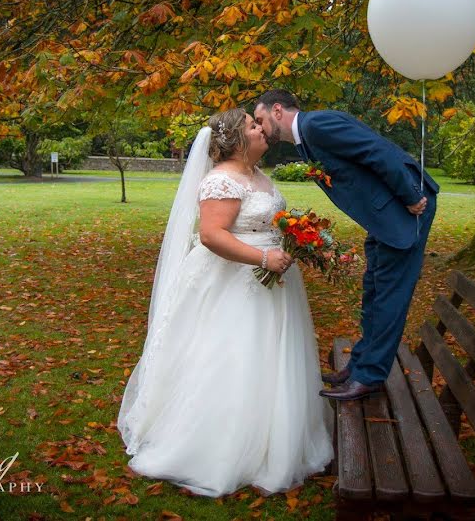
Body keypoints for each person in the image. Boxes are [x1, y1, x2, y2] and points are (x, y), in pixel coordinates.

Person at [116, 108, 333, 497]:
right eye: (252, 125)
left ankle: (274, 439)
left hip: (272, 284)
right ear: (235, 139)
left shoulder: (258, 176)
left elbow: (266, 224)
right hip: (233, 283)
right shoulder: (222, 181)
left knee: (271, 358)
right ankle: (217, 445)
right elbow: (212, 235)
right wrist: (264, 258)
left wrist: (293, 241)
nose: (261, 128)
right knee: (233, 356)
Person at [254, 90, 439, 402]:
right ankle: (359, 365)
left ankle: (370, 376)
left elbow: (376, 151)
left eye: (259, 120)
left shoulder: (317, 125)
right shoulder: (308, 138)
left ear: (276, 111)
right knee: (374, 290)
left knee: (390, 297)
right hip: (383, 216)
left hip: (404, 209)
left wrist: (410, 197)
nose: (260, 128)